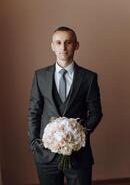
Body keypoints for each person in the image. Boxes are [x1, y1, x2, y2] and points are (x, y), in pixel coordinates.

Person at [28, 26, 103, 185]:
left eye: (68, 42)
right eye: (59, 42)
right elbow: (34, 111)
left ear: (76, 45)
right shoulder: (40, 75)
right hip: (46, 154)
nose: (63, 47)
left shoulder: (88, 78)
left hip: (79, 154)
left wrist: (79, 134)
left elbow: (96, 113)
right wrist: (34, 143)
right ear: (52, 46)